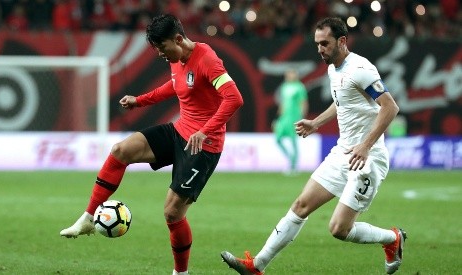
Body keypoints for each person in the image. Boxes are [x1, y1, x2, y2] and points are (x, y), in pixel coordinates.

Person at [59, 14, 243, 275]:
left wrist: (205, 131)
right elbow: (176, 85)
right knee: (121, 150)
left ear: (178, 39)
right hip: (179, 132)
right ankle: (88, 218)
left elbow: (234, 98)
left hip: (202, 146)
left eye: (162, 48)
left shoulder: (208, 60)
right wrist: (140, 100)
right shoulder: (176, 58)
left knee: (172, 214)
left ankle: (181, 273)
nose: (159, 54)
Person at [221, 17, 406, 274]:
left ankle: (392, 238)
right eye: (317, 44)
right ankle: (257, 265)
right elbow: (342, 101)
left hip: (367, 158)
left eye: (325, 43)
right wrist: (316, 123)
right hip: (343, 153)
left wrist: (365, 146)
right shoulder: (334, 68)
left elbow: (390, 107)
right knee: (301, 205)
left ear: (342, 41)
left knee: (339, 229)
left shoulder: (361, 68)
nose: (320, 49)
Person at [272, 69, 308, 175]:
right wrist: (277, 118)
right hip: (284, 118)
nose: (290, 75)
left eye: (292, 73)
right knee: (278, 139)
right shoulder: (284, 87)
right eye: (288, 74)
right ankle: (290, 159)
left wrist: (302, 117)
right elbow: (282, 104)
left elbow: (303, 103)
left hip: (294, 117)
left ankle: (293, 166)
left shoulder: (300, 87)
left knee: (293, 141)